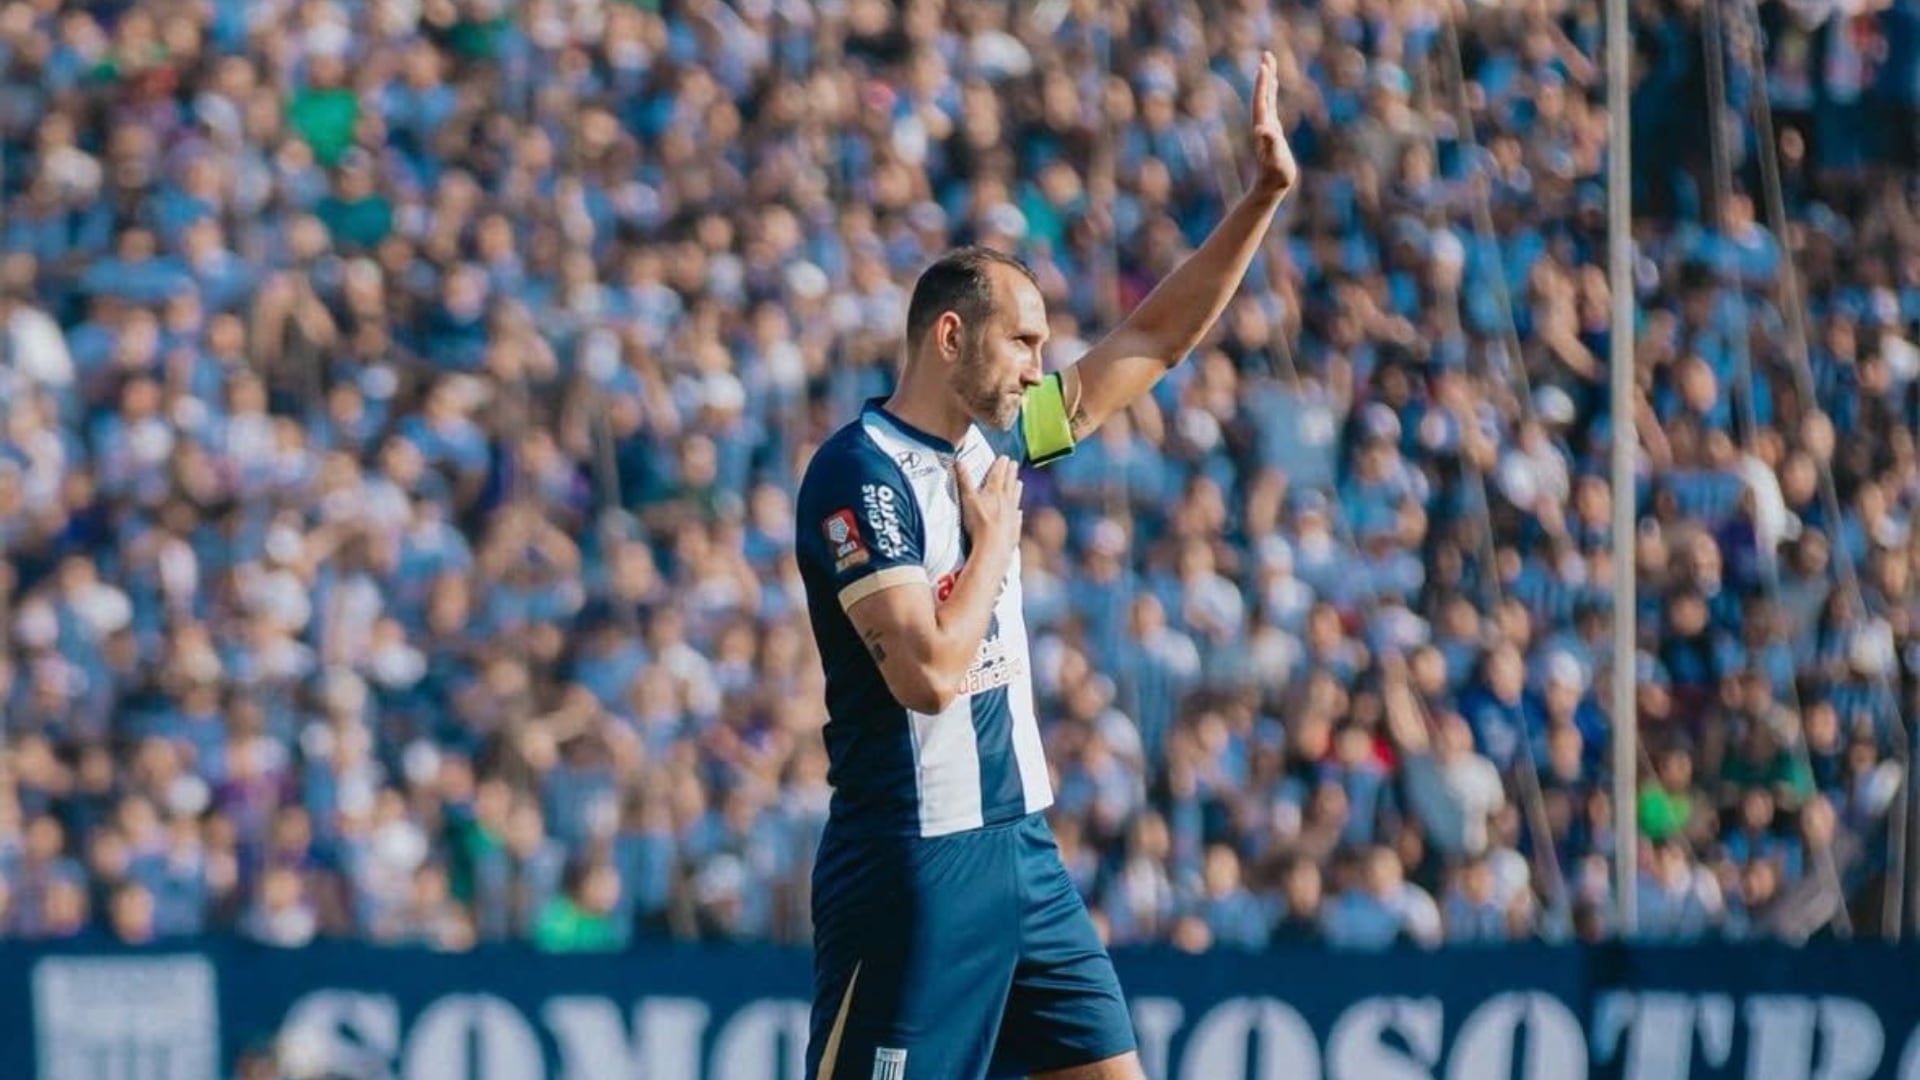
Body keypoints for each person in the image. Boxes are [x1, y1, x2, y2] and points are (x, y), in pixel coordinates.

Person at [792, 51, 1299, 1080]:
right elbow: (927, 674)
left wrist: (1260, 201)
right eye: (1021, 341)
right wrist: (993, 546)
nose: (1036, 366)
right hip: (915, 865)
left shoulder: (1005, 439)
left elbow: (1152, 340)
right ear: (948, 335)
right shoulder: (859, 477)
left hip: (1022, 855)